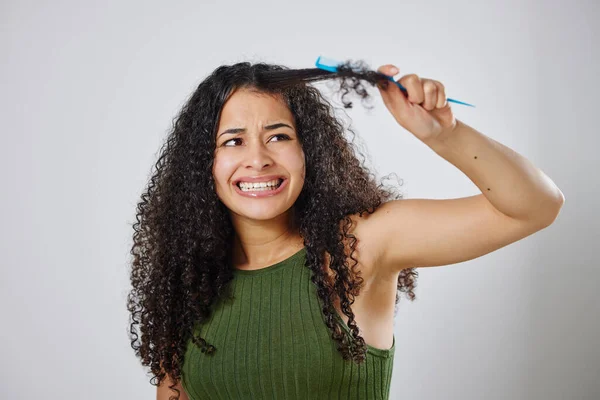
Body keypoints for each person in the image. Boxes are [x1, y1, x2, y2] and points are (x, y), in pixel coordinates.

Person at [128, 61, 565, 400]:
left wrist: (445, 134)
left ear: (308, 151)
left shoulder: (360, 246)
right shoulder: (189, 277)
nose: (257, 159)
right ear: (203, 165)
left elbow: (534, 208)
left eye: (278, 136)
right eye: (232, 141)